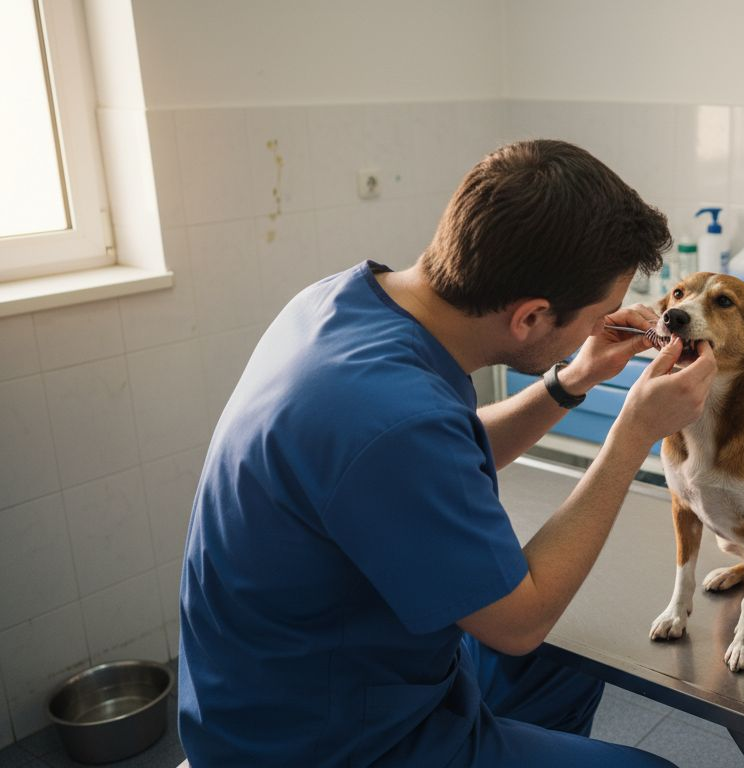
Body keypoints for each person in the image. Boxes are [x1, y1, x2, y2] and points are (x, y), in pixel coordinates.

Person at [178, 139, 715, 766]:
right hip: (323, 745)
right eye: (600, 314)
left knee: (565, 664)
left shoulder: (340, 303)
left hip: (295, 681)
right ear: (531, 317)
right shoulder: (395, 422)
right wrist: (634, 433)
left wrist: (572, 379)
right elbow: (521, 623)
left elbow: (440, 445)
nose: (604, 324)